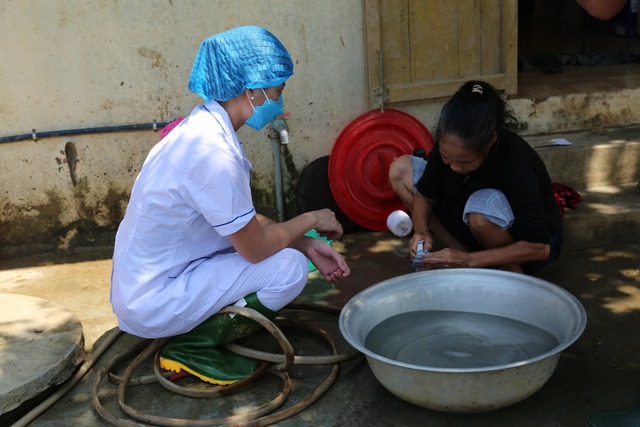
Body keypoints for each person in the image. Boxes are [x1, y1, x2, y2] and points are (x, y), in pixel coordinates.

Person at [110, 26, 350, 385]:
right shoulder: (213, 154)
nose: (280, 103)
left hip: (150, 284)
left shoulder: (198, 129)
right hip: (156, 299)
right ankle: (193, 346)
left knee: (292, 252)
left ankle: (200, 326)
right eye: (278, 91)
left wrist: (306, 239)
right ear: (251, 89)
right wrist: (313, 218)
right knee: (289, 268)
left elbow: (244, 221)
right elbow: (254, 249)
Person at [389, 80, 562, 274]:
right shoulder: (450, 143)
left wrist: (468, 260)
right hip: (468, 224)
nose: (453, 167)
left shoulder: (517, 162)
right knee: (401, 170)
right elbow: (425, 196)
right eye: (446, 157)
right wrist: (422, 232)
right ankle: (461, 252)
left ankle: (513, 276)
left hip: (524, 244)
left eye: (464, 162)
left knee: (480, 212)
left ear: (490, 142)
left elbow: (539, 247)